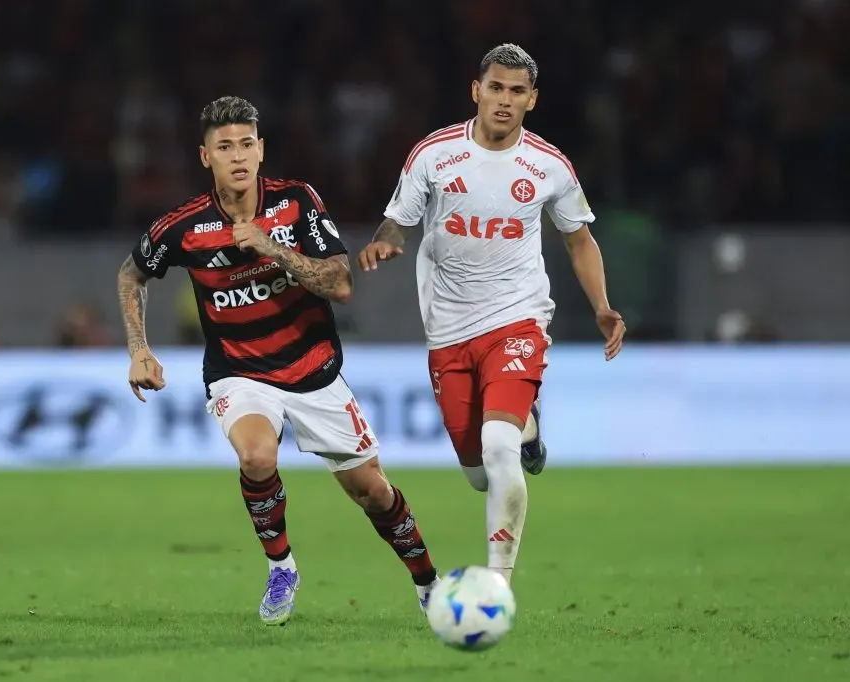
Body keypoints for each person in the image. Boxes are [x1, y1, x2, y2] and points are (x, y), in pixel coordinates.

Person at [117, 96, 439, 626]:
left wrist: (272, 249)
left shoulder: (296, 203)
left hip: (314, 371)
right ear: (206, 157)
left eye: (246, 144)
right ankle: (281, 566)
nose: (238, 156)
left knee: (373, 492)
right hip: (239, 373)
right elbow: (132, 273)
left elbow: (340, 285)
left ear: (261, 149)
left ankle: (429, 584)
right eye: (225, 147)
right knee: (257, 458)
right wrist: (138, 348)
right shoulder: (185, 226)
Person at [358, 44, 626, 584]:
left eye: (517, 91)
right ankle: (528, 425)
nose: (505, 100)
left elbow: (579, 241)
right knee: (480, 474)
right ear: (476, 91)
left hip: (517, 318)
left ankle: (497, 584)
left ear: (533, 99)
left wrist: (602, 306)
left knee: (498, 449)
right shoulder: (434, 155)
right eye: (496, 88)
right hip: (449, 329)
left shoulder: (548, 166)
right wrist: (384, 242)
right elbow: (397, 221)